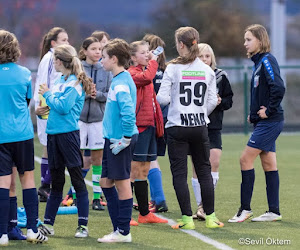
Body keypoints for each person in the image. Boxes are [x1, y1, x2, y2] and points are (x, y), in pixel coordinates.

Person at [157, 26, 224, 229]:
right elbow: (213, 101)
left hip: (177, 126)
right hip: (199, 125)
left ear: (180, 44)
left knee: (179, 173)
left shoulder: (172, 68)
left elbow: (162, 98)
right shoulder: (206, 69)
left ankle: (187, 219)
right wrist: (199, 111)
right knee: (204, 171)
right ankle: (210, 217)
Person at [228, 24, 285, 223]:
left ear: (260, 41)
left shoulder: (267, 60)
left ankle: (245, 209)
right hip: (264, 122)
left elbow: (278, 87)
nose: (245, 43)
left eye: (248, 39)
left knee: (245, 159)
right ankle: (274, 211)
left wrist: (268, 111)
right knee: (268, 163)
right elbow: (264, 92)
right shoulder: (258, 62)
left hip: (271, 122)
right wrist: (254, 115)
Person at [38, 44, 94, 238]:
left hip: (69, 137)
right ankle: (48, 224)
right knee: (56, 183)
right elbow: (55, 105)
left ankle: (83, 226)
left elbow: (63, 106)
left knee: (78, 181)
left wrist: (47, 94)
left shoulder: (75, 84)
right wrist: (42, 110)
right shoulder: (60, 81)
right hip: (53, 136)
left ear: (60, 61)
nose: (53, 63)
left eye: (54, 60)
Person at [0, 29, 48, 246]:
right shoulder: (24, 73)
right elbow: (28, 99)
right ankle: (31, 229)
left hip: (1, 135)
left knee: (3, 183)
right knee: (27, 180)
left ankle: (2, 233)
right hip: (22, 134)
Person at [97, 38, 138, 243]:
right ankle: (118, 229)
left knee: (122, 184)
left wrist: (126, 138)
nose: (101, 60)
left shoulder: (121, 82)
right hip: (112, 138)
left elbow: (129, 113)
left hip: (120, 139)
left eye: (104, 57)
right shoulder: (119, 79)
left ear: (114, 59)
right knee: (105, 181)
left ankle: (123, 232)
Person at [191, 43, 233, 220]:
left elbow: (229, 101)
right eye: (200, 56)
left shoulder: (221, 76)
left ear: (212, 58)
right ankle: (201, 207)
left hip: (214, 127)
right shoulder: (189, 76)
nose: (204, 60)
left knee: (214, 161)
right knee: (197, 166)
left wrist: (219, 101)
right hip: (195, 125)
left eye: (207, 56)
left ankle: (205, 205)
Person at [128, 40, 168, 225]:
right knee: (133, 171)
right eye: (143, 53)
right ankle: (126, 215)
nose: (147, 55)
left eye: (148, 52)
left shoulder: (144, 71)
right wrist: (154, 60)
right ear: (133, 57)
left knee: (144, 170)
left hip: (150, 126)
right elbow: (148, 77)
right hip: (139, 127)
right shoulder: (133, 73)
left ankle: (144, 214)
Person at [34, 27, 69, 202]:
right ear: (53, 43)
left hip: (53, 106)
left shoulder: (56, 58)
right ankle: (45, 186)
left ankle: (45, 186)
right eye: (63, 40)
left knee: (51, 148)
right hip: (48, 108)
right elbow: (43, 84)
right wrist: (42, 109)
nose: (67, 43)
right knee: (52, 147)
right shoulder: (50, 59)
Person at [142, 34, 168, 213]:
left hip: (148, 119)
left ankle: (158, 199)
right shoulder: (166, 70)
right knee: (151, 159)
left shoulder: (146, 72)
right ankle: (154, 198)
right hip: (163, 119)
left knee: (148, 160)